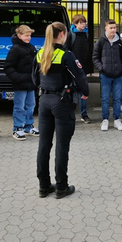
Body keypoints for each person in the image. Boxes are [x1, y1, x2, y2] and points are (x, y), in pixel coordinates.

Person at [33, 22, 89, 199]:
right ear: (63, 34)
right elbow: (80, 77)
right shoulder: (66, 55)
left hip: (44, 101)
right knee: (61, 146)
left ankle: (43, 186)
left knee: (44, 145)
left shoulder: (40, 53)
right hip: (61, 101)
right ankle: (61, 187)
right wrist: (85, 93)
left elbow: (34, 78)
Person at [4, 24, 39, 140]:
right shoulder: (15, 49)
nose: (29, 37)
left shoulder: (32, 47)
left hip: (30, 83)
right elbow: (8, 67)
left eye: (29, 35)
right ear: (19, 36)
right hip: (20, 84)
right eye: (26, 35)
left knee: (31, 105)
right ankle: (17, 128)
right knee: (19, 106)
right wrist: (17, 78)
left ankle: (29, 126)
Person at [92, 19, 122, 131]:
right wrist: (102, 68)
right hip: (105, 75)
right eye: (111, 28)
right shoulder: (100, 41)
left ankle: (117, 120)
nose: (113, 30)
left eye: (115, 28)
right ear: (106, 28)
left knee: (117, 98)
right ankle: (105, 120)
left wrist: (121, 68)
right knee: (105, 99)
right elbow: (95, 57)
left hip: (118, 75)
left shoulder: (120, 42)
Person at [64, 13, 93, 124]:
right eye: (81, 23)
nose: (84, 24)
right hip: (73, 68)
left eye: (84, 22)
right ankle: (70, 114)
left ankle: (84, 114)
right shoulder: (71, 35)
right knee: (72, 92)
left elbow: (89, 50)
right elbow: (67, 50)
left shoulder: (86, 34)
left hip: (83, 68)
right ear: (75, 24)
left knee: (83, 92)